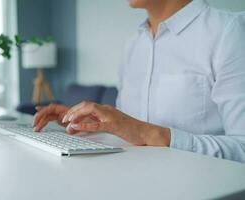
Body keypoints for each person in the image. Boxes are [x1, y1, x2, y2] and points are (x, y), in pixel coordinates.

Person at [33, 0, 245, 163]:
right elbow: (127, 129)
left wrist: (150, 133)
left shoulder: (229, 31)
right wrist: (89, 123)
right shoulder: (134, 43)